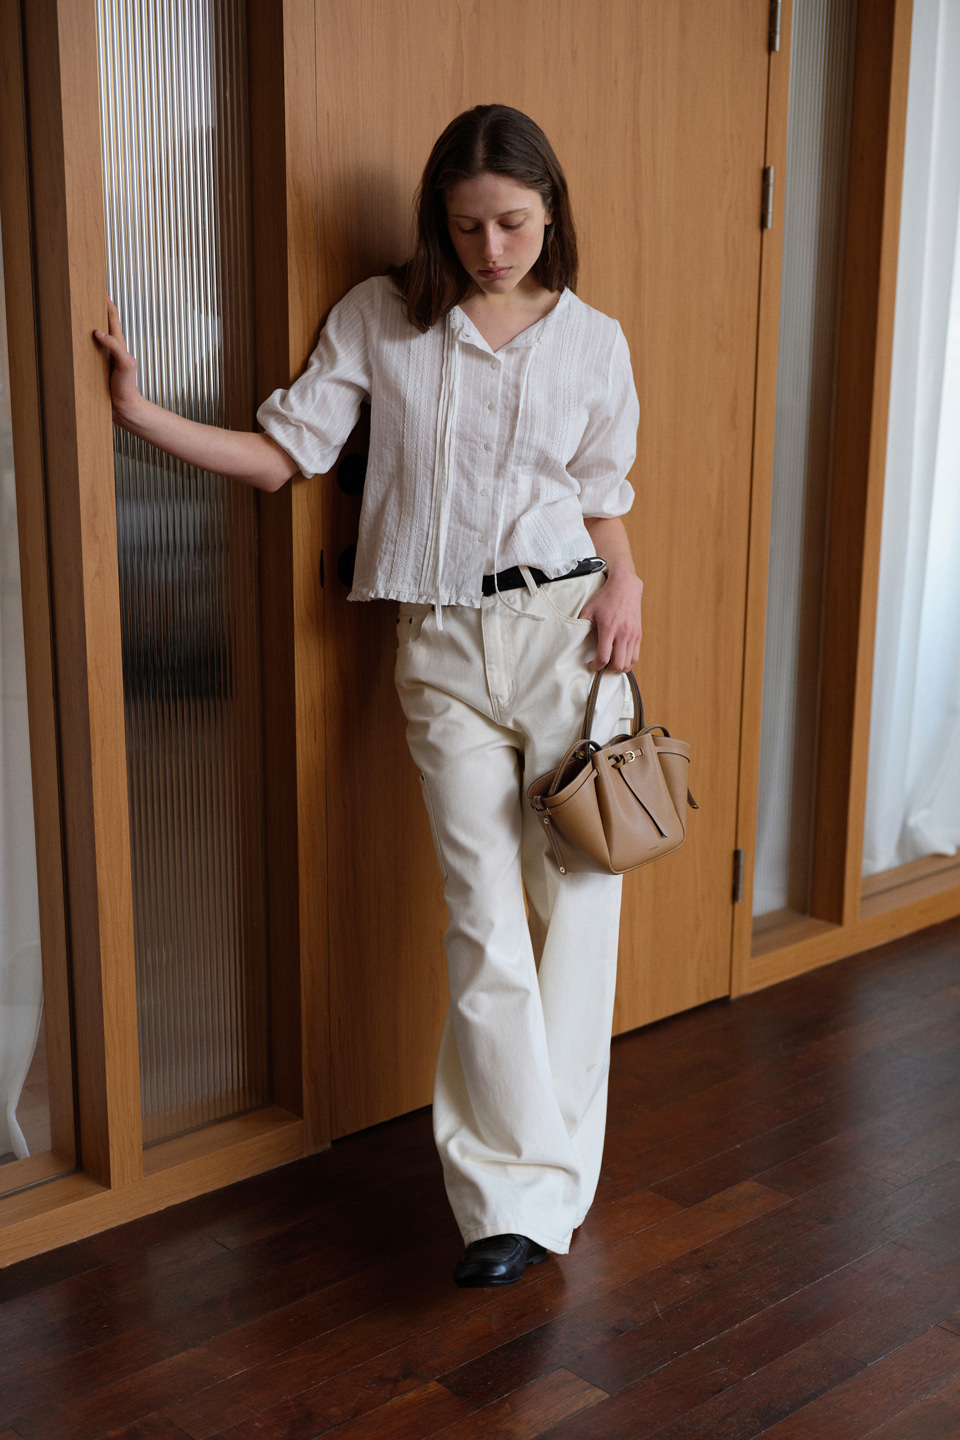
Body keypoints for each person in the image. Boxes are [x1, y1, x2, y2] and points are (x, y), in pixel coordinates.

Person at [95, 103, 643, 1288]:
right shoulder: (382, 318)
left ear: (552, 211)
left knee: (580, 908)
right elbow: (283, 456)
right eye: (468, 225)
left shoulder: (595, 343)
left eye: (513, 222)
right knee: (481, 917)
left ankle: (542, 1186)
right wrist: (140, 415)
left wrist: (630, 581)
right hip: (439, 647)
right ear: (438, 220)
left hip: (568, 637)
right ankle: (508, 1202)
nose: (491, 247)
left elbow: (602, 498)